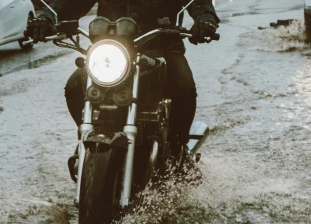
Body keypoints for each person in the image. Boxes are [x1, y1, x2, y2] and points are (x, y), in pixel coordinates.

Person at [27, 0, 219, 159]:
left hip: (162, 48)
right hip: (114, 53)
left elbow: (198, 2)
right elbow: (70, 3)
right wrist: (47, 17)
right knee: (75, 85)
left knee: (183, 85)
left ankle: (178, 150)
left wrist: (206, 18)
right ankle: (89, 139)